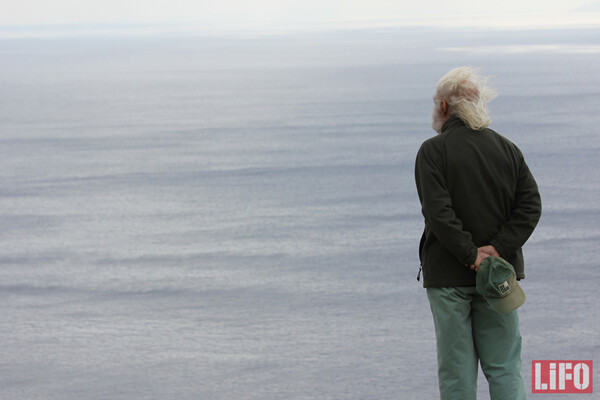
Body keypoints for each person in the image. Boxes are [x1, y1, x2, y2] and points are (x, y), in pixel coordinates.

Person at [414, 67, 542, 400]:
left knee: (457, 373)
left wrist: (472, 256)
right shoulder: (508, 149)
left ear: (443, 107)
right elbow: (530, 207)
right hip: (499, 278)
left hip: (449, 278)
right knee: (505, 367)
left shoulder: (433, 151)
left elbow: (439, 214)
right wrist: (498, 249)